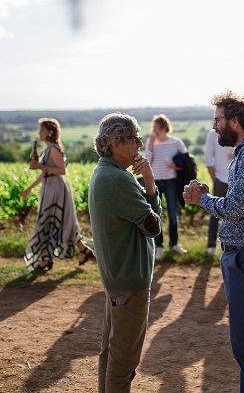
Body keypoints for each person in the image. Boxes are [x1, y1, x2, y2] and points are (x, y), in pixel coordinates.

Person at [183, 91, 244, 393]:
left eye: (218, 119)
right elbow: (239, 204)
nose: (215, 126)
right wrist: (208, 197)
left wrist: (203, 199)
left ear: (234, 121)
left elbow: (235, 210)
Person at [89, 112, 162, 393]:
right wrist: (150, 183)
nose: (140, 146)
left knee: (110, 354)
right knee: (124, 361)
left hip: (116, 279)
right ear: (116, 142)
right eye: (135, 139)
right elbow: (153, 227)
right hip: (130, 282)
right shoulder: (119, 179)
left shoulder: (103, 171)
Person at [23, 118, 94, 272]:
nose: (39, 133)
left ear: (49, 132)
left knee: (51, 221)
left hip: (56, 189)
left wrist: (40, 166)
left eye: (41, 130)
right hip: (50, 187)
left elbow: (62, 171)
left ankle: (47, 259)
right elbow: (44, 174)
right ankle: (83, 250)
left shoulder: (54, 149)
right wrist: (30, 188)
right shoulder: (48, 149)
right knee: (61, 221)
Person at [145, 114, 188, 259]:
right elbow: (147, 162)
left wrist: (176, 166)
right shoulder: (151, 142)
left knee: (172, 215)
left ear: (163, 128)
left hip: (171, 182)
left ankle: (174, 244)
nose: (154, 130)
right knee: (156, 215)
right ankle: (159, 247)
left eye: (155, 127)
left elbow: (187, 162)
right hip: (155, 182)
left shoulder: (176, 143)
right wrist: (150, 145)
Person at [203, 128, 235, 256]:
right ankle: (211, 245)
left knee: (234, 212)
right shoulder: (212, 134)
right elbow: (208, 159)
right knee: (214, 212)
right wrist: (215, 180)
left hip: (235, 178)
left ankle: (232, 245)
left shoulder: (235, 131)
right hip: (220, 179)